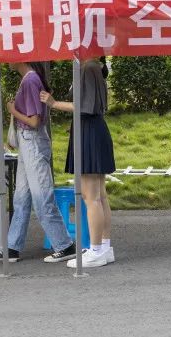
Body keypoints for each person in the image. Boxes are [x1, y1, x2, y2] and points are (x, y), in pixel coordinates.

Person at [0, 62, 77, 263]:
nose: (7, 59)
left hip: (32, 142)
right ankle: (12, 247)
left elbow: (34, 121)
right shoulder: (29, 79)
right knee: (21, 197)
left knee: (41, 197)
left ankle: (65, 245)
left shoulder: (30, 80)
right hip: (28, 142)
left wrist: (12, 110)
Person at [42, 56, 116, 269]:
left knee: (91, 197)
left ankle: (96, 250)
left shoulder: (88, 67)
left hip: (89, 132)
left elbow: (84, 106)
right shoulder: (93, 66)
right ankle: (103, 247)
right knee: (99, 196)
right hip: (92, 130)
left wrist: (53, 103)